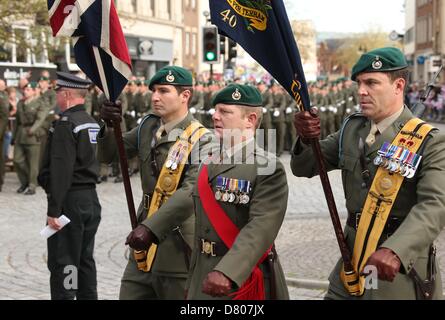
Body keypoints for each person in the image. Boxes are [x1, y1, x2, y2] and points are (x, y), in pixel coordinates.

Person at [291, 47, 445, 300]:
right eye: (360, 83)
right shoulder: (352, 130)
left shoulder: (429, 140)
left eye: (372, 83)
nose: (362, 91)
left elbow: (435, 206)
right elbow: (304, 167)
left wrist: (396, 250)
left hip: (396, 272)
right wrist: (307, 139)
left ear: (398, 86)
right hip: (351, 263)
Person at [99, 66, 215, 300]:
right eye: (154, 90)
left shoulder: (204, 139)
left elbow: (191, 190)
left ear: (185, 96)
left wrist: (150, 228)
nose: (155, 96)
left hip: (177, 245)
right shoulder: (148, 127)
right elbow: (109, 155)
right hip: (142, 245)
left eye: (164, 91)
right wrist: (111, 125)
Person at [186, 84, 289, 300]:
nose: (215, 116)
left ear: (250, 120)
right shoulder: (208, 161)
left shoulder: (266, 166)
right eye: (215, 110)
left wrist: (228, 271)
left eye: (225, 112)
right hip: (201, 276)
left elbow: (261, 228)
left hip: (239, 279)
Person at [38, 72, 101, 300]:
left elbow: (61, 171)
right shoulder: (91, 122)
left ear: (66, 94)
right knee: (84, 259)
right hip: (90, 200)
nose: (56, 97)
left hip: (70, 201)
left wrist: (54, 210)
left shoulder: (66, 124)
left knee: (65, 261)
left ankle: (66, 296)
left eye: (57, 93)